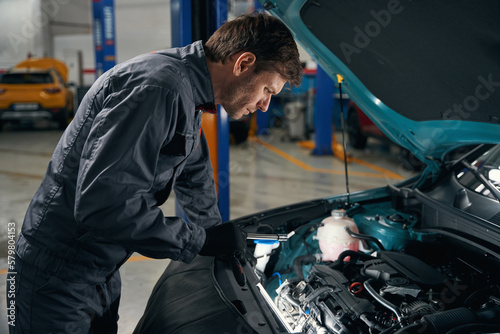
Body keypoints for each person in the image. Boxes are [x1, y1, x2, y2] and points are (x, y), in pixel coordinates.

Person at [9, 12, 302, 333]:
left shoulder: (189, 91)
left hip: (99, 269)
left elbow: (195, 175)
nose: (263, 106)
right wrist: (200, 240)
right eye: (267, 90)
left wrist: (222, 240)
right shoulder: (159, 89)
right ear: (243, 63)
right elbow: (103, 208)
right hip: (59, 275)